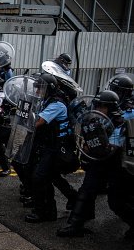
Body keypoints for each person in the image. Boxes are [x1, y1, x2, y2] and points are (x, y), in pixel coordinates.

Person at [57, 90, 134, 238]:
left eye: (102, 107)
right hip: (99, 161)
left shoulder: (121, 122)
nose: (98, 110)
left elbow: (110, 148)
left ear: (110, 107)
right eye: (97, 106)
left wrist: (93, 146)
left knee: (116, 201)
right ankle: (75, 224)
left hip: (117, 165)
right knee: (86, 190)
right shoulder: (99, 119)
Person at [24, 73, 72, 223]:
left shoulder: (56, 104)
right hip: (47, 145)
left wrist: (25, 112)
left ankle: (45, 212)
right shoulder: (46, 101)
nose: (38, 92)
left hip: (56, 147)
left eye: (40, 89)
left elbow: (37, 122)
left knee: (40, 177)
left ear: (49, 89)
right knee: (51, 176)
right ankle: (75, 200)